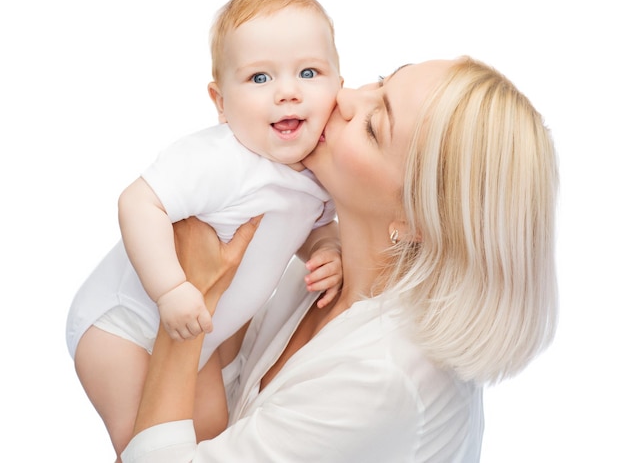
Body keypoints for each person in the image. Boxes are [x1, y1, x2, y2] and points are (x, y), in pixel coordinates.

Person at [120, 57, 559, 462]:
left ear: (415, 220)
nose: (344, 97)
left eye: (374, 125)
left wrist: (191, 299)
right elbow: (226, 415)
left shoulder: (383, 378)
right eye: (383, 81)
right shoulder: (327, 269)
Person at [65, 0, 344, 460]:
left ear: (339, 82)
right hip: (123, 326)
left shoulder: (319, 172)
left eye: (309, 71)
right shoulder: (221, 159)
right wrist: (170, 288)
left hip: (198, 335)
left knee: (213, 436)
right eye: (260, 78)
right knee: (143, 439)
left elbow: (313, 224)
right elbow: (138, 203)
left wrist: (326, 249)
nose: (288, 92)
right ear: (220, 101)